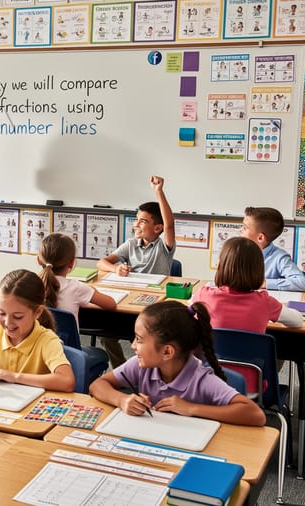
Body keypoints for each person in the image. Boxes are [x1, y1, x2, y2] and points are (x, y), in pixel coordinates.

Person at [89, 301, 266, 426]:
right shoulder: (139, 365)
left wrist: (192, 408)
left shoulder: (201, 379)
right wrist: (122, 399)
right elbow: (97, 385)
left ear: (167, 351)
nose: (133, 346)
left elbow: (255, 415)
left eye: (139, 339)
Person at [96, 175, 175, 368]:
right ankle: (121, 367)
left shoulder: (164, 246)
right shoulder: (131, 244)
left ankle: (144, 370)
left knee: (149, 338)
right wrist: (116, 268)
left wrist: (159, 192)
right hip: (129, 300)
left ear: (157, 228)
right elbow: (102, 262)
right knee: (104, 333)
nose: (135, 225)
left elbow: (170, 224)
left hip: (152, 304)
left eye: (142, 222)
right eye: (136, 220)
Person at [192, 237, 303, 333]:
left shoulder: (203, 295)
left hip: (208, 357)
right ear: (259, 271)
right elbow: (297, 321)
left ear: (220, 266)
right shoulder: (265, 302)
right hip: (253, 358)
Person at [37, 233, 116, 324]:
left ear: (38, 260)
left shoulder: (29, 286)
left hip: (35, 338)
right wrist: (92, 290)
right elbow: (111, 304)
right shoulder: (76, 288)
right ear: (71, 263)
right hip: (64, 339)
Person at [240, 206, 305, 291]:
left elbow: (303, 283)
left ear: (261, 238)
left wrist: (264, 283)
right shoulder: (237, 252)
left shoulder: (279, 257)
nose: (240, 230)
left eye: (245, 228)